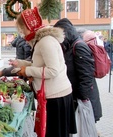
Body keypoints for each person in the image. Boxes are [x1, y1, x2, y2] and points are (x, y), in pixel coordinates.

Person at [8, 7, 76, 137]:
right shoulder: (41, 40)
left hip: (57, 97)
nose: (22, 32)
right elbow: (39, 64)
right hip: (54, 95)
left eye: (22, 28)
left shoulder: (46, 42)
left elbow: (53, 70)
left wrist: (27, 70)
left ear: (29, 25)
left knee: (55, 133)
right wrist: (20, 63)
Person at [59, 24, 103, 122]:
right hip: (82, 99)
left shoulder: (79, 47)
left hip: (85, 100)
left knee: (86, 129)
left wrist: (81, 98)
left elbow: (86, 75)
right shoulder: (72, 46)